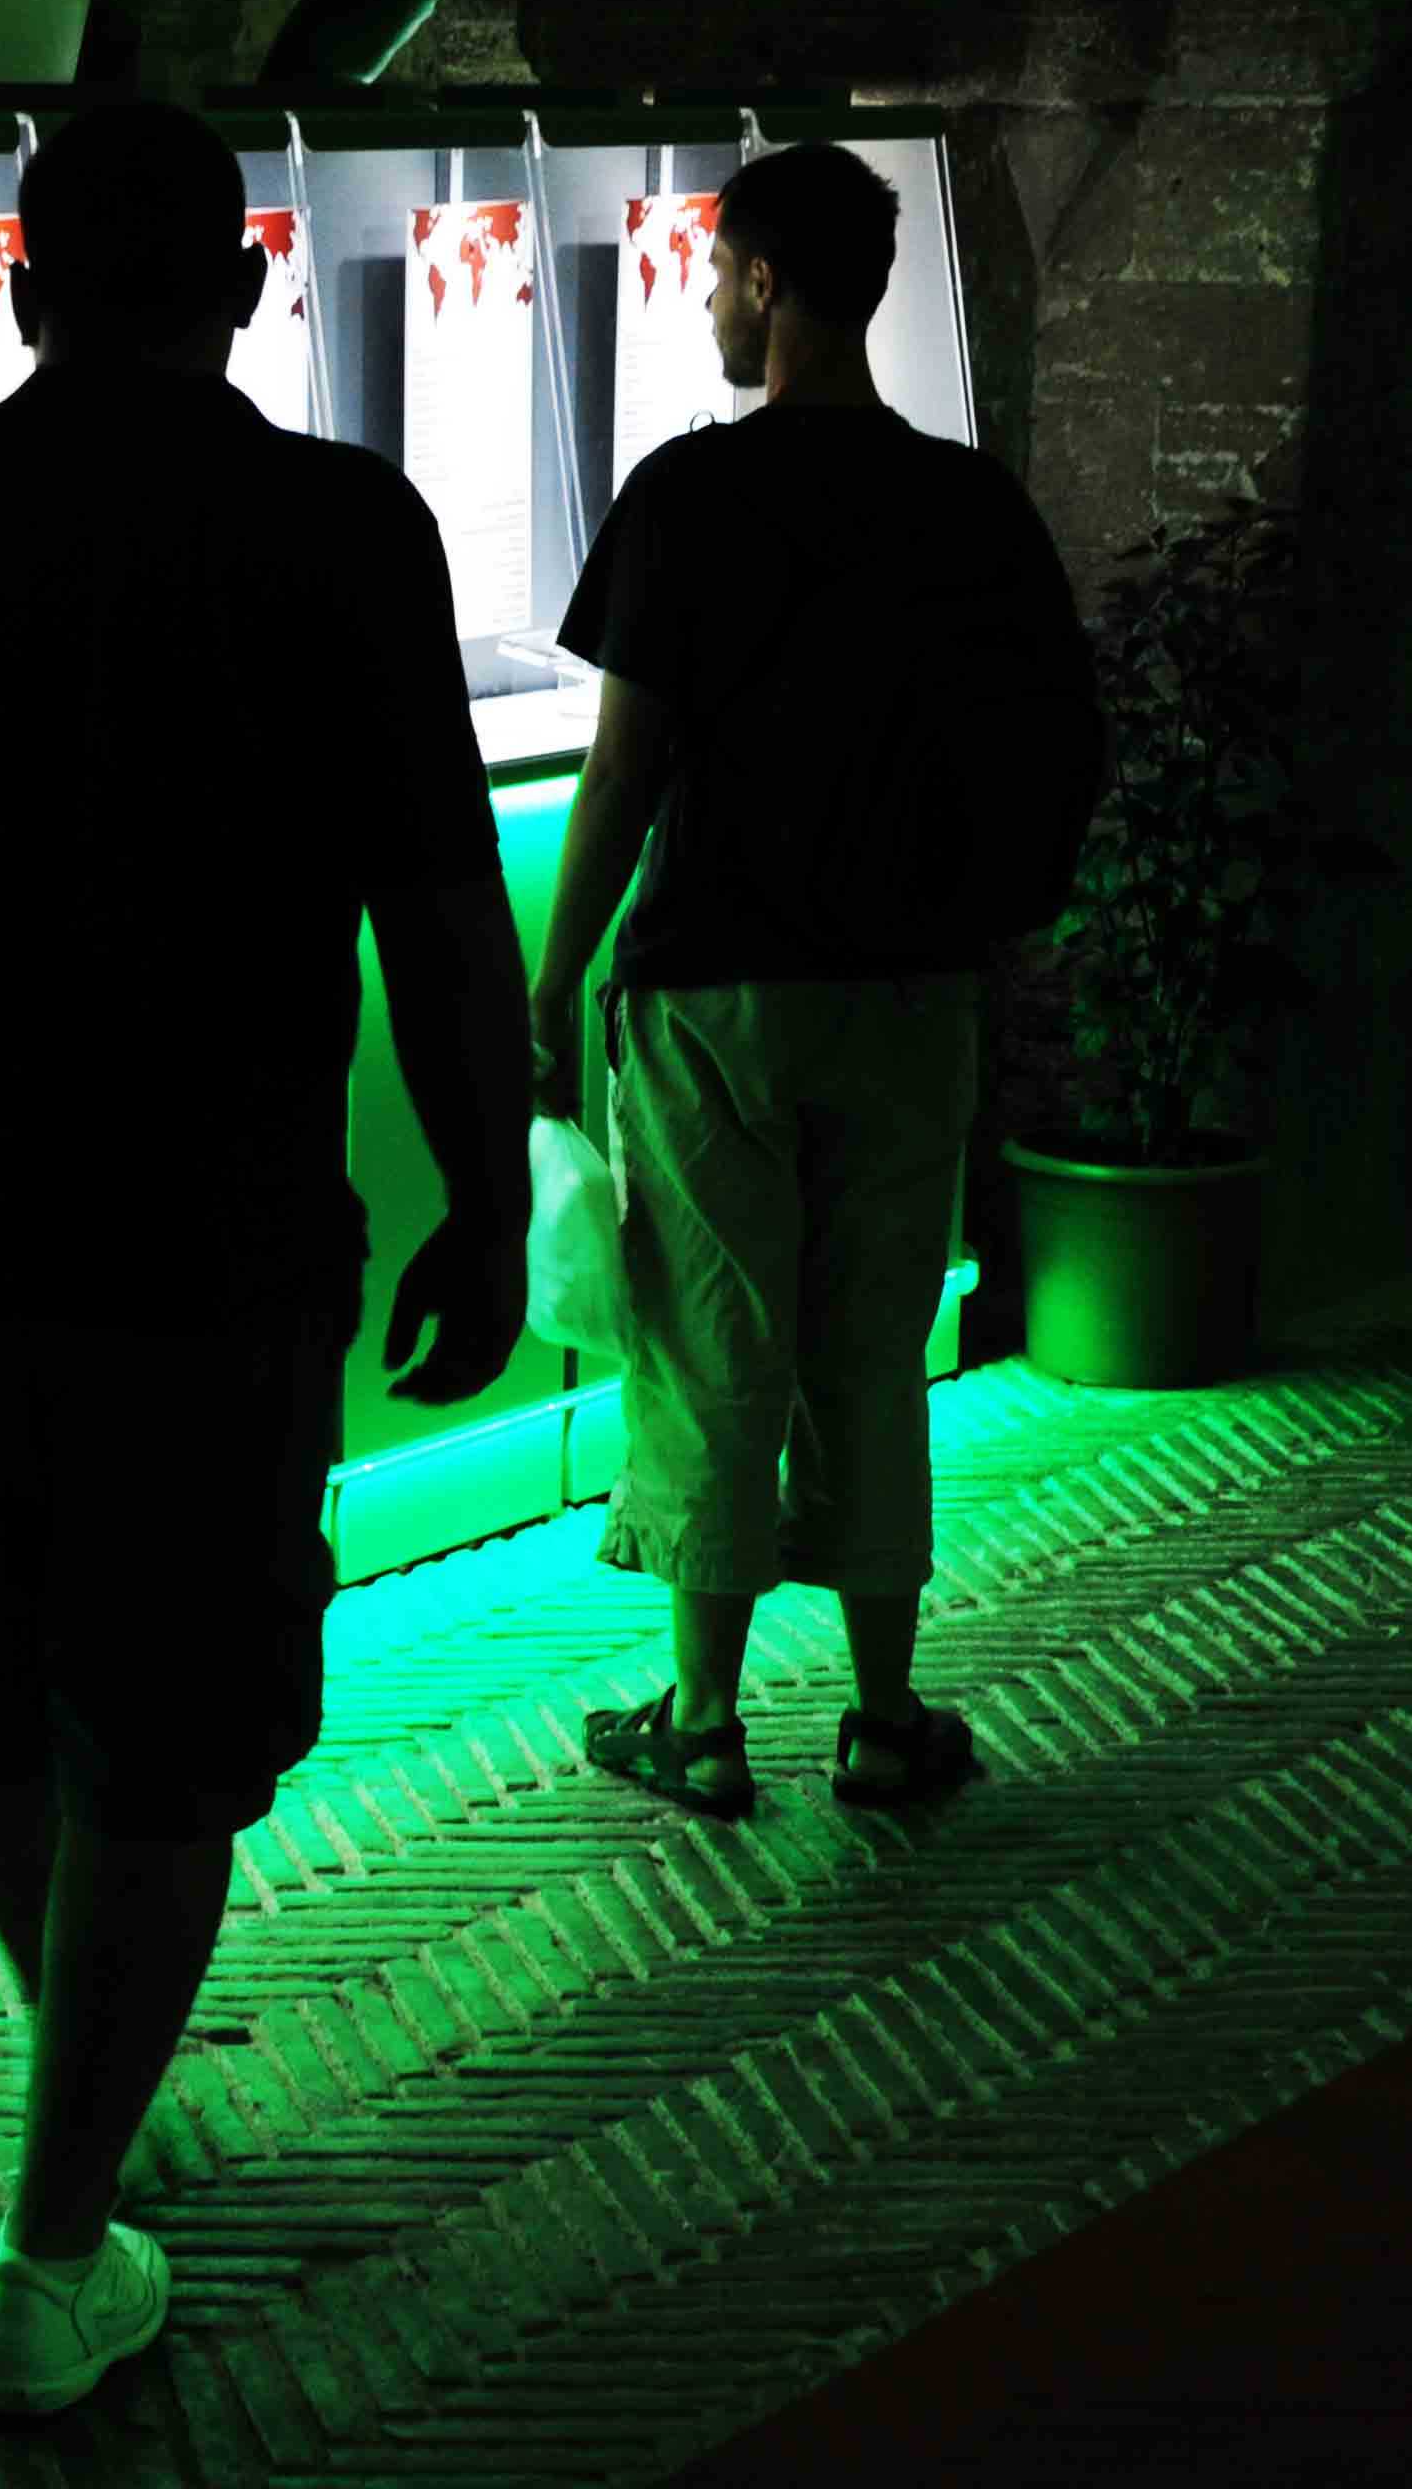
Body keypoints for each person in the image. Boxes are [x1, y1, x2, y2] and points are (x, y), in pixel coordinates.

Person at [0, 101, 533, 2420]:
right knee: (172, 1719)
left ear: (15, 282)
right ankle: (50, 2250)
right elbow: (436, 903)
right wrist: (486, 1192)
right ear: (244, 288)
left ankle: (75, 2100)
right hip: (212, 1233)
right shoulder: (342, 529)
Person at [528, 142, 1078, 1824]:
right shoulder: (969, 507)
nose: (707, 301)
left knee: (715, 1344)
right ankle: (884, 1717)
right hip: (909, 991)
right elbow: (1055, 744)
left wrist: (555, 982)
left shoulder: (689, 497)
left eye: (715, 273)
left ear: (766, 282)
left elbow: (623, 774)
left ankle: (703, 1725)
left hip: (715, 992)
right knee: (871, 1348)